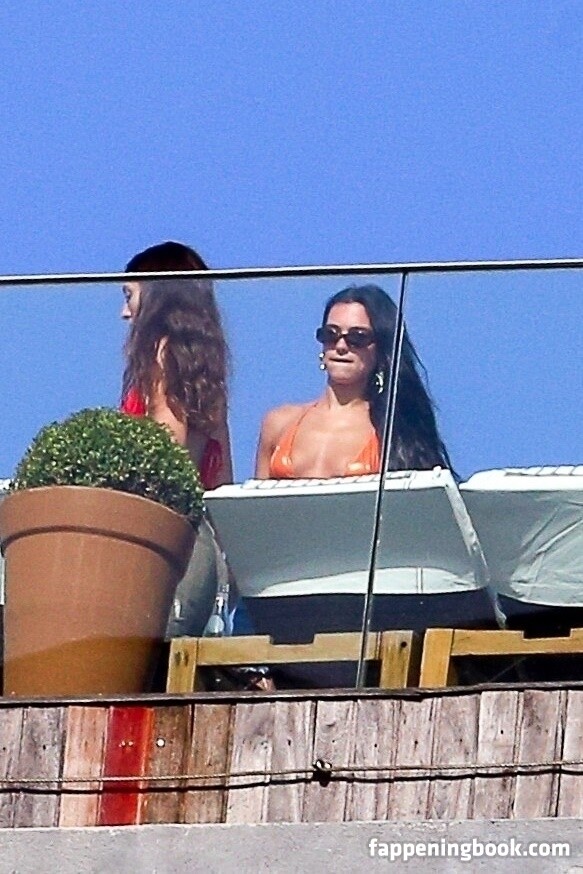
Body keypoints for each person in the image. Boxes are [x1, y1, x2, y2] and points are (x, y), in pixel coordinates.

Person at [120, 241, 233, 644]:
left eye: (129, 296)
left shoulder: (161, 356)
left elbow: (167, 454)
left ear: (157, 295)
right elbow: (222, 480)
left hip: (164, 544)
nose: (125, 312)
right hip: (199, 544)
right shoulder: (204, 372)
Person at [255, 283, 453, 479]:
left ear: (381, 348)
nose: (341, 346)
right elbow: (255, 497)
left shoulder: (397, 429)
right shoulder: (280, 423)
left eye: (357, 337)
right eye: (330, 334)